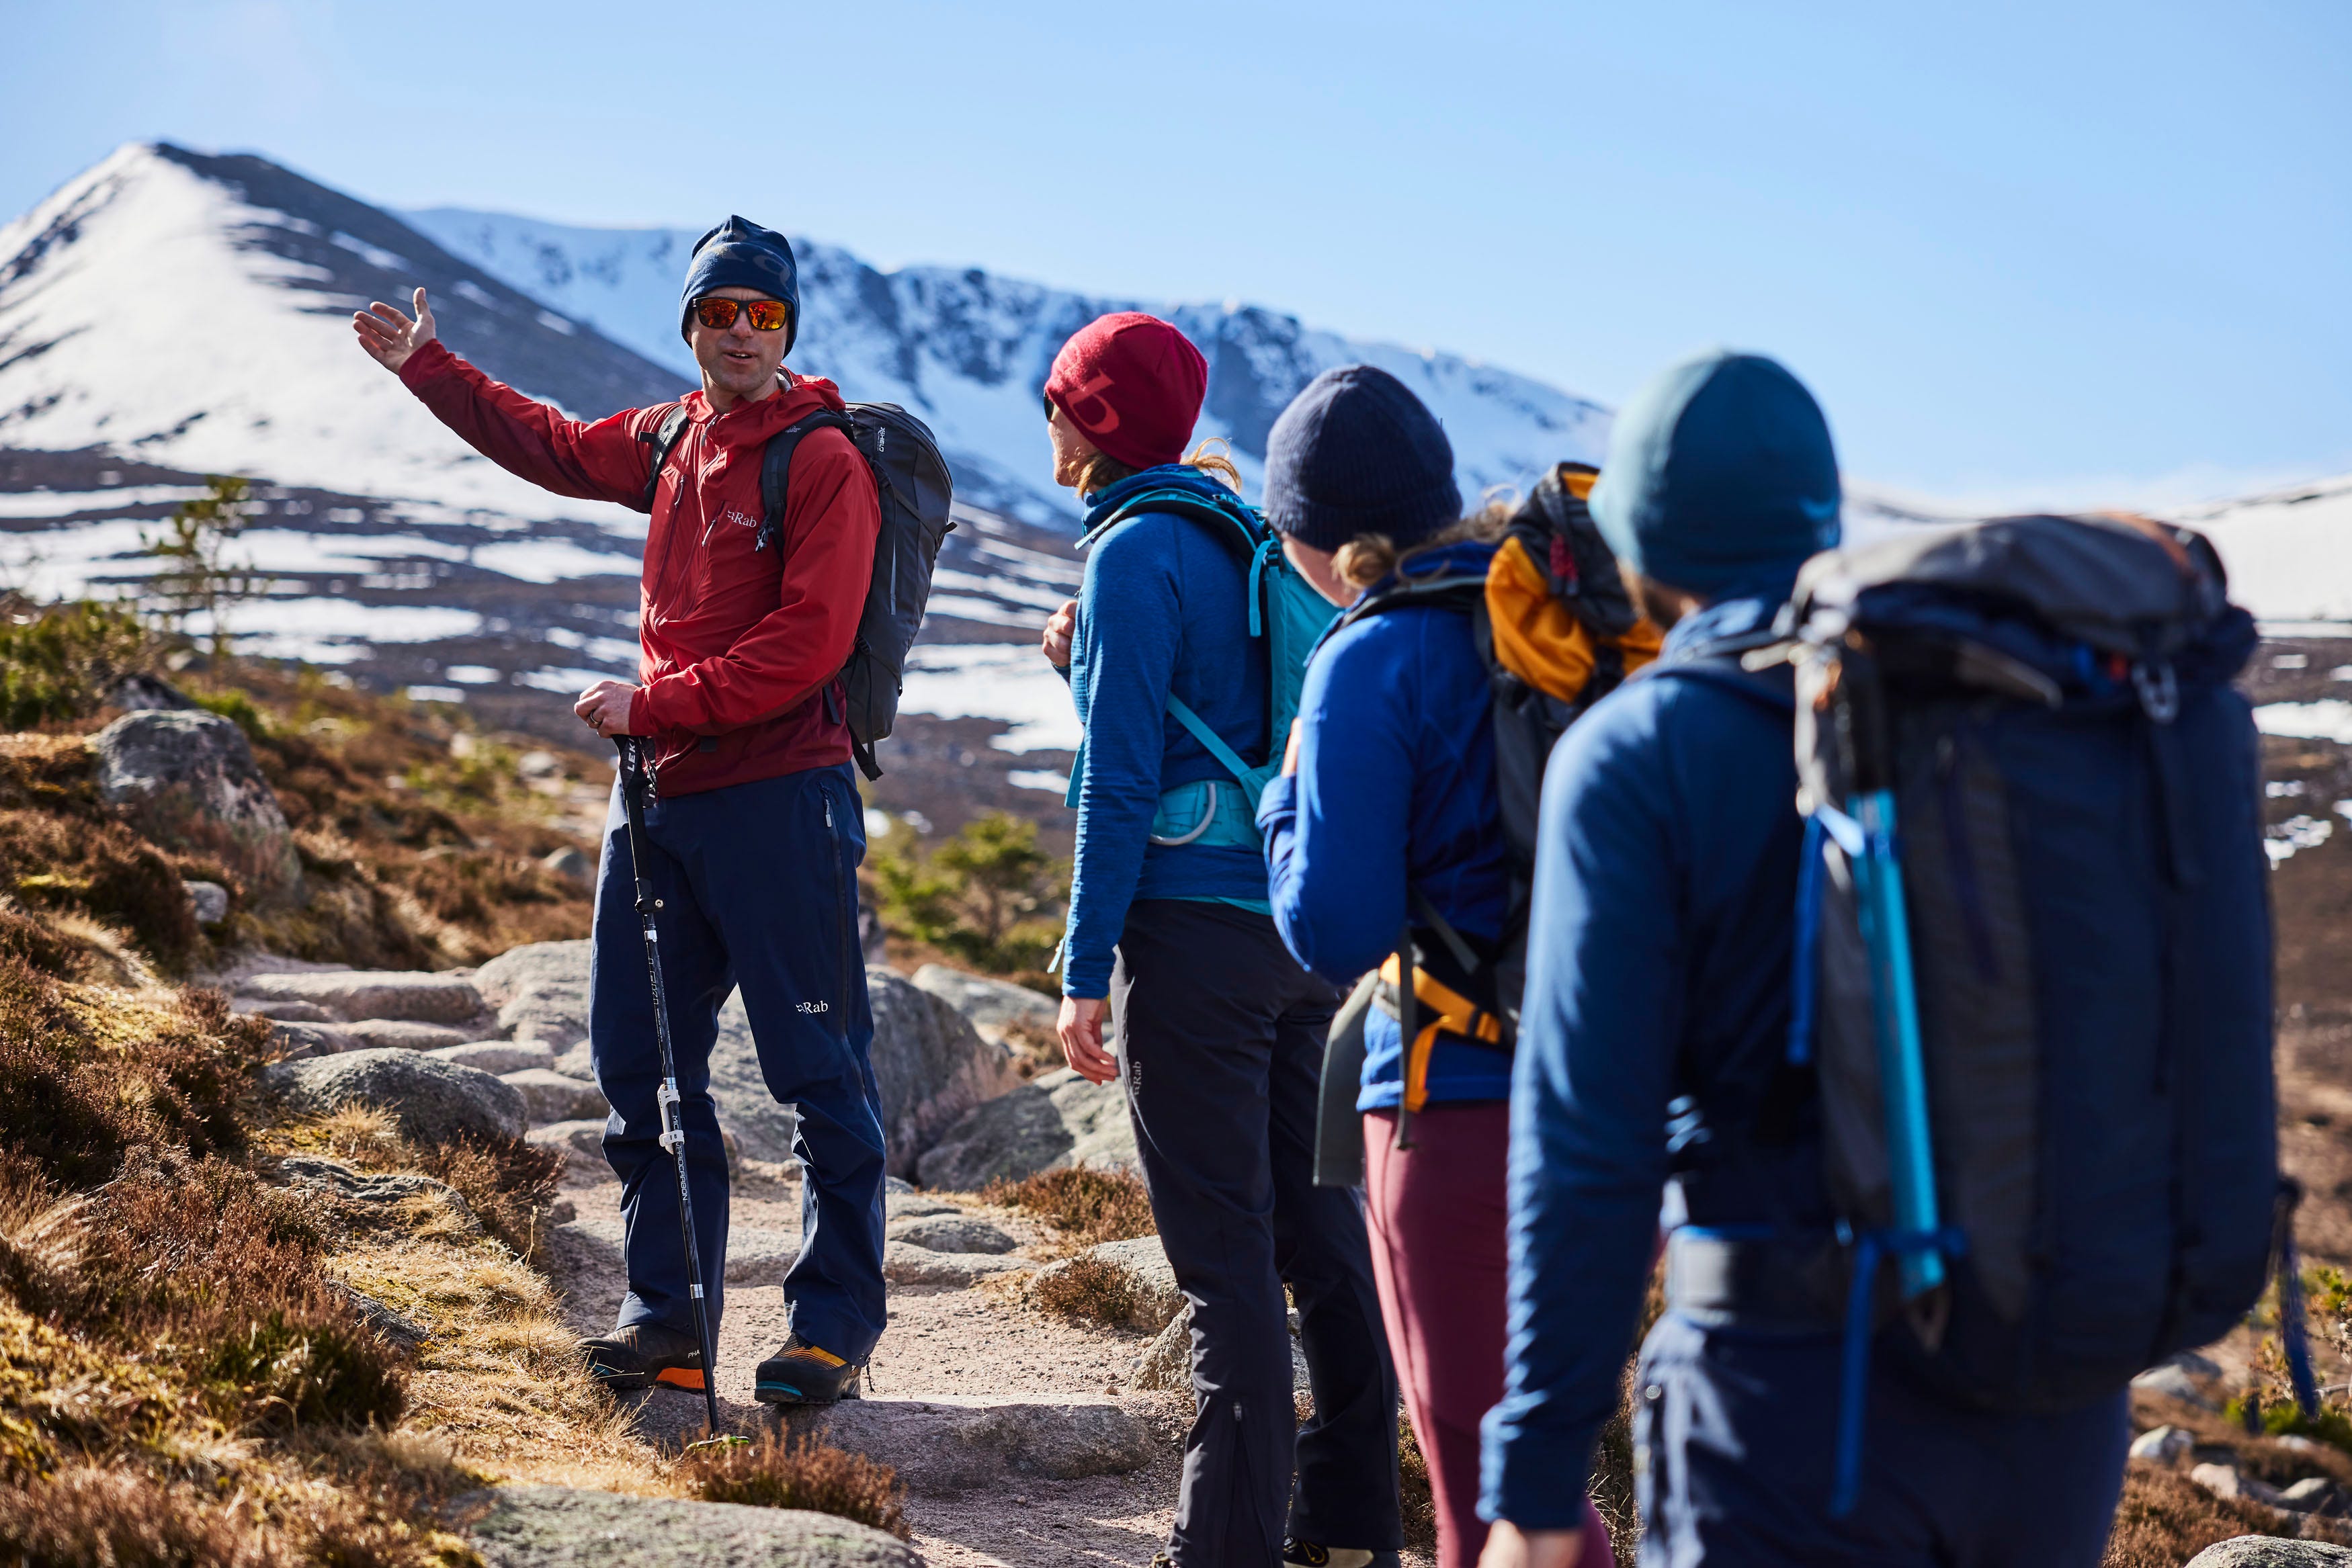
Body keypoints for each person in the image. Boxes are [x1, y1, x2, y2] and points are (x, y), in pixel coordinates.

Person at [1476, 351, 2132, 1566]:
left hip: (1794, 1411)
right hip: (2057, 1406)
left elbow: (1588, 1146)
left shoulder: (1641, 754)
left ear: (1639, 547)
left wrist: (1537, 1481)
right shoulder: (2018, 710)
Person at [352, 216, 888, 1407]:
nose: (740, 331)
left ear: (787, 328)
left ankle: (833, 1327)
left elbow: (809, 644)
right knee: (639, 1065)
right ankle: (670, 1319)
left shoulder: (824, 460)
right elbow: (546, 442)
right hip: (659, 798)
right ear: (691, 324)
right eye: (719, 311)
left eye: (763, 314)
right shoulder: (670, 436)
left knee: (816, 1070)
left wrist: (660, 704)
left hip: (779, 799)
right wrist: (429, 369)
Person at [1037, 314, 1403, 1568]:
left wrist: (1085, 969)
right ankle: (1352, 1521)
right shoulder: (1248, 536)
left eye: (1056, 401)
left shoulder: (1136, 551)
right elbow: (1235, 725)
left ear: (1086, 421)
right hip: (1305, 936)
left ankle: (1227, 1545)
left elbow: (1120, 782)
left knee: (1224, 1258)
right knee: (1321, 1237)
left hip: (1191, 946)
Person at [1252, 366, 1619, 1568]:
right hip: (1616, 1093)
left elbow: (1332, 930)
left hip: (1454, 1106)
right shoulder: (1557, 620)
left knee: (1486, 1496)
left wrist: (1279, 796)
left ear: (1316, 534)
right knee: (1545, 1462)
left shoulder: (1373, 656)